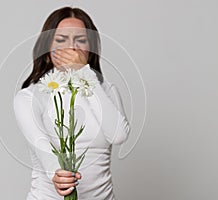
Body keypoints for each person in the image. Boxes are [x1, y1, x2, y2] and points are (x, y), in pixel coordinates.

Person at [13, 6, 130, 200]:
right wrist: (56, 173)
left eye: (80, 40)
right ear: (48, 48)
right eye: (61, 40)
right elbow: (41, 145)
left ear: (90, 48)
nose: (71, 48)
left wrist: (83, 72)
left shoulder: (106, 90)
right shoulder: (29, 96)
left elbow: (118, 135)